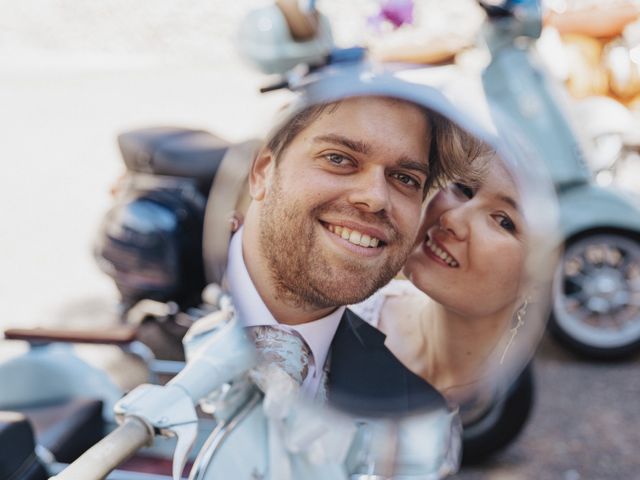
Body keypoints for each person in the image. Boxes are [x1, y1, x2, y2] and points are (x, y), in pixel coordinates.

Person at [218, 95, 484, 414]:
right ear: (263, 172)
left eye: (405, 179)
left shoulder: (413, 408)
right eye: (339, 159)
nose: (375, 198)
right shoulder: (149, 305)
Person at [350, 150, 535, 412]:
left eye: (504, 221)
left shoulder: (503, 406)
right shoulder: (345, 317)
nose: (451, 219)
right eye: (463, 188)